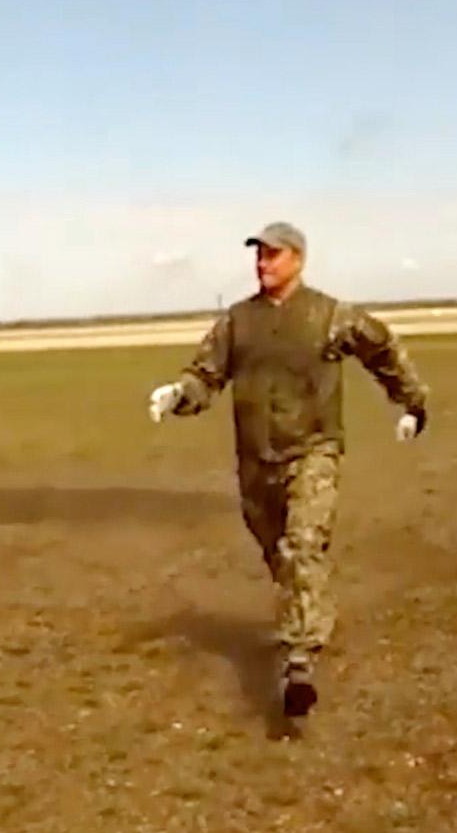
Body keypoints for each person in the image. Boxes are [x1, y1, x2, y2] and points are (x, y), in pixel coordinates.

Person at [142, 222, 430, 722]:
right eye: (259, 256)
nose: (262, 264)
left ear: (297, 259)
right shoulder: (238, 321)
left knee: (301, 546)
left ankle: (299, 664)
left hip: (312, 451)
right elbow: (206, 374)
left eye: (273, 255)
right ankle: (311, 609)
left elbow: (381, 349)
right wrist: (177, 395)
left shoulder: (329, 315)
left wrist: (411, 402)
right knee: (282, 555)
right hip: (255, 461)